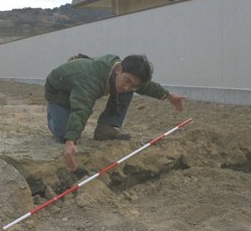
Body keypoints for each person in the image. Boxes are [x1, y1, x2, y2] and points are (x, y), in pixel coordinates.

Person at [44, 53, 185, 170]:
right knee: (64, 133)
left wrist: (169, 96)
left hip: (80, 86)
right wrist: (70, 141)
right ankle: (53, 116)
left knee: (128, 89)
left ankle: (107, 127)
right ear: (119, 69)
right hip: (60, 94)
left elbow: (145, 86)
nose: (127, 86)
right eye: (126, 80)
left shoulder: (123, 73)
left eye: (132, 84)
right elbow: (81, 108)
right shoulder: (91, 79)